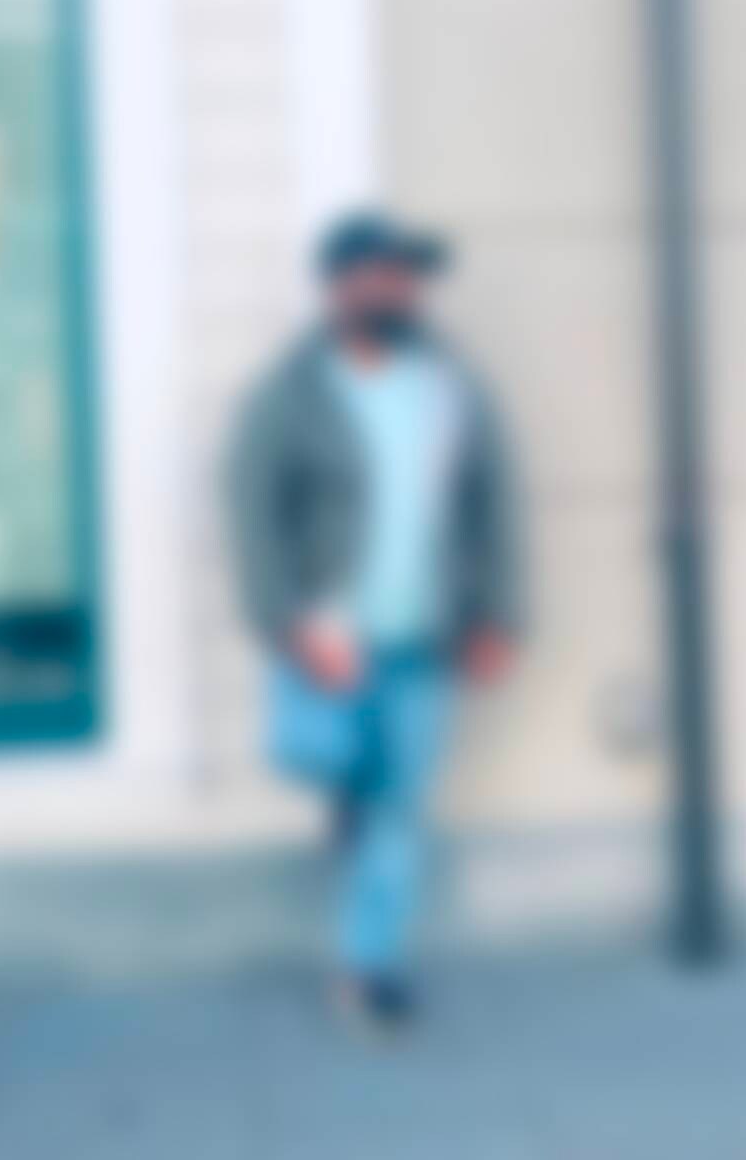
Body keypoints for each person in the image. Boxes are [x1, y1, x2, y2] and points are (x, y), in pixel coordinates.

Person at [227, 211, 522, 1032]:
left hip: (425, 635)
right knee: (308, 752)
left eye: (410, 277)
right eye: (385, 274)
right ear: (339, 286)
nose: (402, 290)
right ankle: (346, 802)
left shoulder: (451, 387)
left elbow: (495, 502)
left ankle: (369, 968)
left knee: (400, 807)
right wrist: (286, 625)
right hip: (329, 636)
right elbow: (252, 514)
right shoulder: (290, 394)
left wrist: (497, 616)